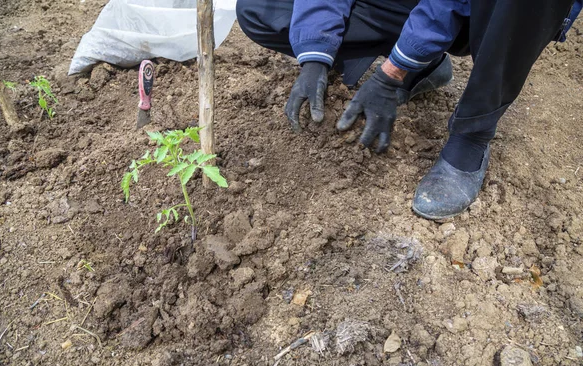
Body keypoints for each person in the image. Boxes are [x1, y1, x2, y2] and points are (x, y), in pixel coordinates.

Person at [236, 0, 580, 220]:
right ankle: (424, 68)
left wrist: (392, 72)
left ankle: (472, 133)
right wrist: (314, 51)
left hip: (488, 10)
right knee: (261, 7)